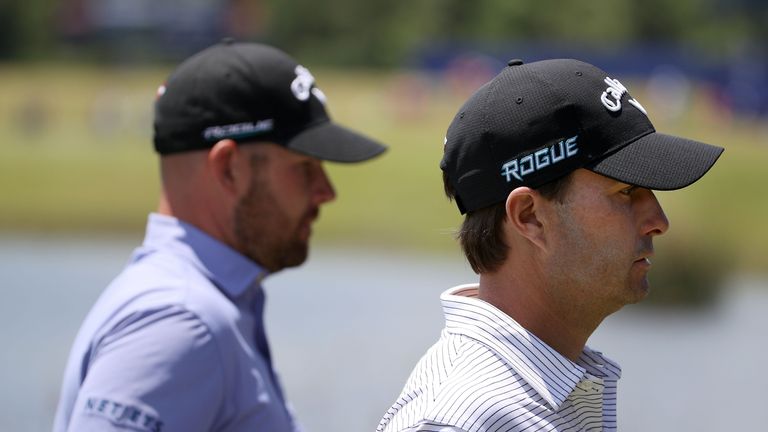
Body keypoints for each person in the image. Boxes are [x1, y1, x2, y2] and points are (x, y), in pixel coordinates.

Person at [53, 40, 386, 432]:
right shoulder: (180, 323)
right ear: (229, 168)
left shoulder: (201, 305)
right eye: (304, 167)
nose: (326, 191)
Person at [377, 58, 723, 432]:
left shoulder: (532, 393)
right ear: (530, 217)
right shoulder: (459, 422)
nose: (659, 221)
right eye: (626, 191)